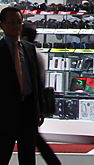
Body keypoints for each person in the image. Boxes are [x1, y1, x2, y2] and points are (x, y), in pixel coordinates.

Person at [0, 7, 45, 165]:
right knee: (0, 157)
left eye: (19, 22)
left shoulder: (29, 48)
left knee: (28, 157)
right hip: (5, 114)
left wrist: (40, 108)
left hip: (28, 111)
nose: (16, 26)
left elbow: (36, 82)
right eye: (11, 23)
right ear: (2, 25)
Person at [21, 24, 61, 165]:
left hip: (29, 105)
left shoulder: (31, 55)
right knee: (33, 140)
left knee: (32, 141)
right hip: (33, 105)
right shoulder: (37, 55)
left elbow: (37, 83)